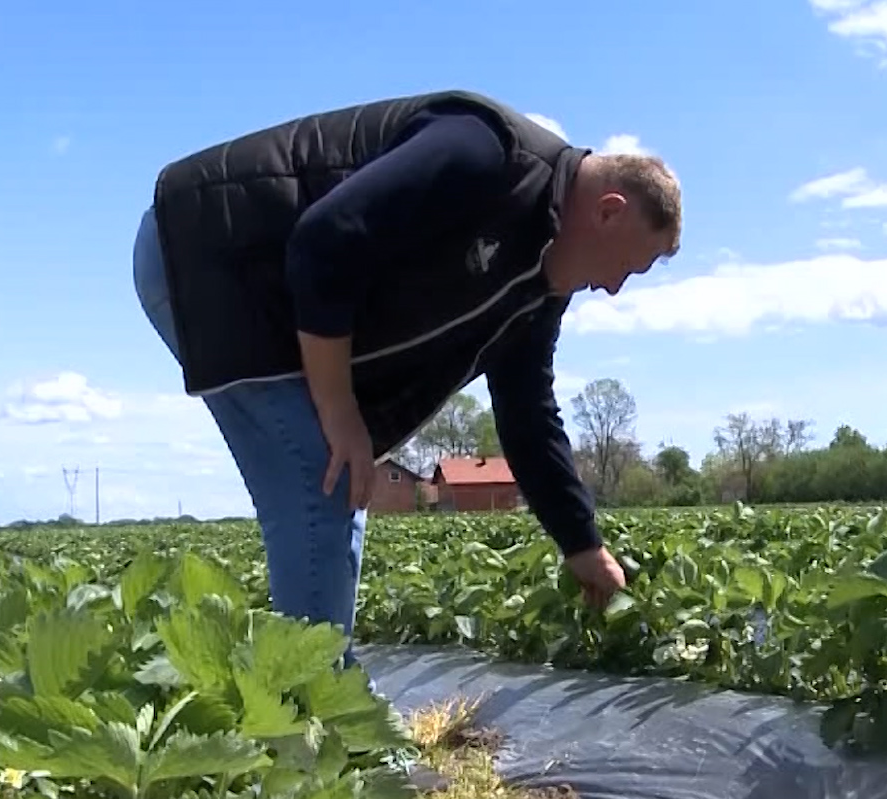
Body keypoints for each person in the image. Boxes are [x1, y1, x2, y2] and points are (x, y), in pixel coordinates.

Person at [131, 90, 680, 669]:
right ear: (609, 210)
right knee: (324, 476)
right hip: (211, 254)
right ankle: (311, 716)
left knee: (339, 480)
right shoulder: (487, 154)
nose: (616, 287)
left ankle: (317, 701)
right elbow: (327, 240)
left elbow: (527, 414)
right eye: (630, 266)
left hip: (269, 299)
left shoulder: (536, 289)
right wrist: (339, 409)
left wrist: (582, 543)